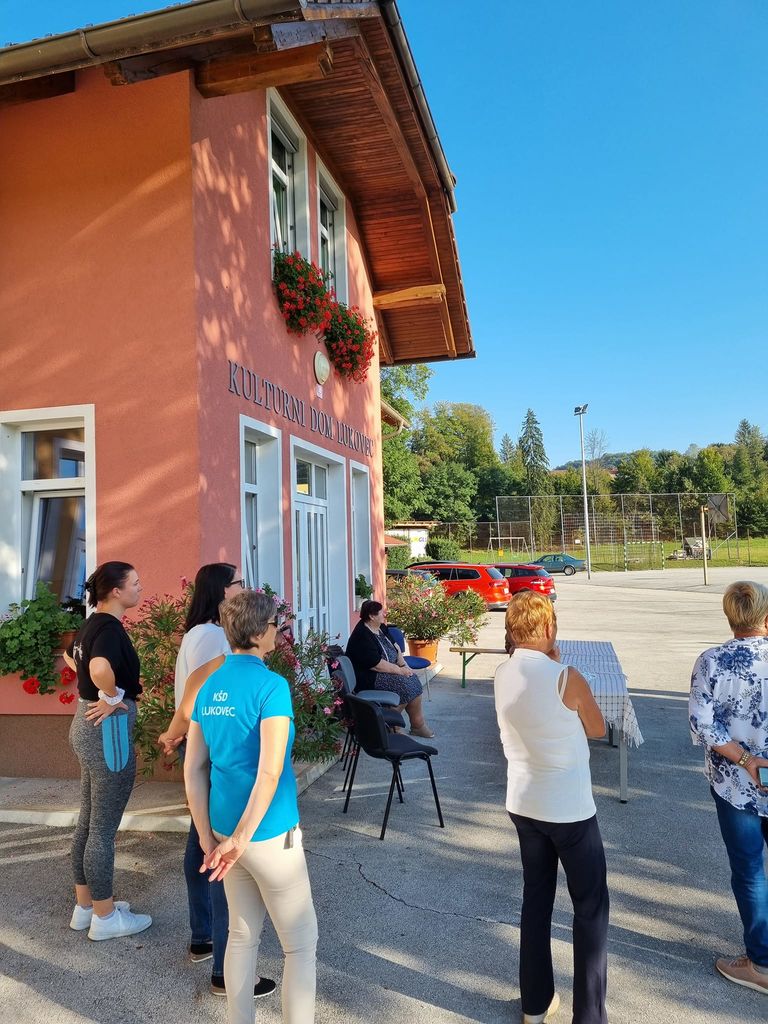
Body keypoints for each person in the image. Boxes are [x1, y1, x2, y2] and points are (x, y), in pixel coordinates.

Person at [184, 589, 318, 1024]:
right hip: (267, 834)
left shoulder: (209, 685)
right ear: (260, 633)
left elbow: (193, 768)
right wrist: (240, 839)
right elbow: (270, 771)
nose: (278, 631)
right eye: (275, 624)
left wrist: (208, 837)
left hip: (223, 831)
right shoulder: (271, 686)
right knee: (300, 946)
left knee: (241, 936)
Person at [157, 564, 275, 1000]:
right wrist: (176, 732)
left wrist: (175, 733)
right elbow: (196, 694)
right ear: (223, 592)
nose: (244, 587)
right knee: (219, 856)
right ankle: (225, 970)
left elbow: (190, 697)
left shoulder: (197, 633)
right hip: (212, 749)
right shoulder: (213, 637)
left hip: (199, 743)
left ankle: (203, 938)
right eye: (238, 583)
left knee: (201, 844)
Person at [494, 591, 608, 1024]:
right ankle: (589, 1015)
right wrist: (557, 665)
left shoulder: (502, 673)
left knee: (536, 901)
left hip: (524, 803)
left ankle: (535, 1005)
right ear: (548, 627)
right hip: (570, 809)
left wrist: (549, 660)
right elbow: (597, 728)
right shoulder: (567, 677)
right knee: (590, 909)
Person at [64, 561, 153, 940]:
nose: (140, 587)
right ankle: (105, 917)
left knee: (88, 823)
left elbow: (71, 657)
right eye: (135, 583)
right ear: (116, 591)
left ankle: (85, 907)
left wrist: (95, 692)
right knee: (101, 830)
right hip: (107, 735)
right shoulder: (111, 629)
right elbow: (99, 667)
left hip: (86, 727)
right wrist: (113, 695)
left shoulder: (91, 623)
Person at [689, 580, 768, 995]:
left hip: (736, 785)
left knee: (750, 870)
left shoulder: (712, 662)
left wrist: (746, 760)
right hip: (743, 782)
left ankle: (762, 964)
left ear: (730, 616)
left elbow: (703, 724)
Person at [345, 599, 434, 738]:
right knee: (405, 685)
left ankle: (417, 725)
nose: (385, 614)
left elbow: (395, 647)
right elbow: (376, 664)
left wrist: (403, 665)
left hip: (387, 670)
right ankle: (389, 725)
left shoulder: (381, 627)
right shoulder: (362, 635)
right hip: (369, 677)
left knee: (413, 679)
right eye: (381, 612)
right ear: (372, 616)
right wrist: (400, 671)